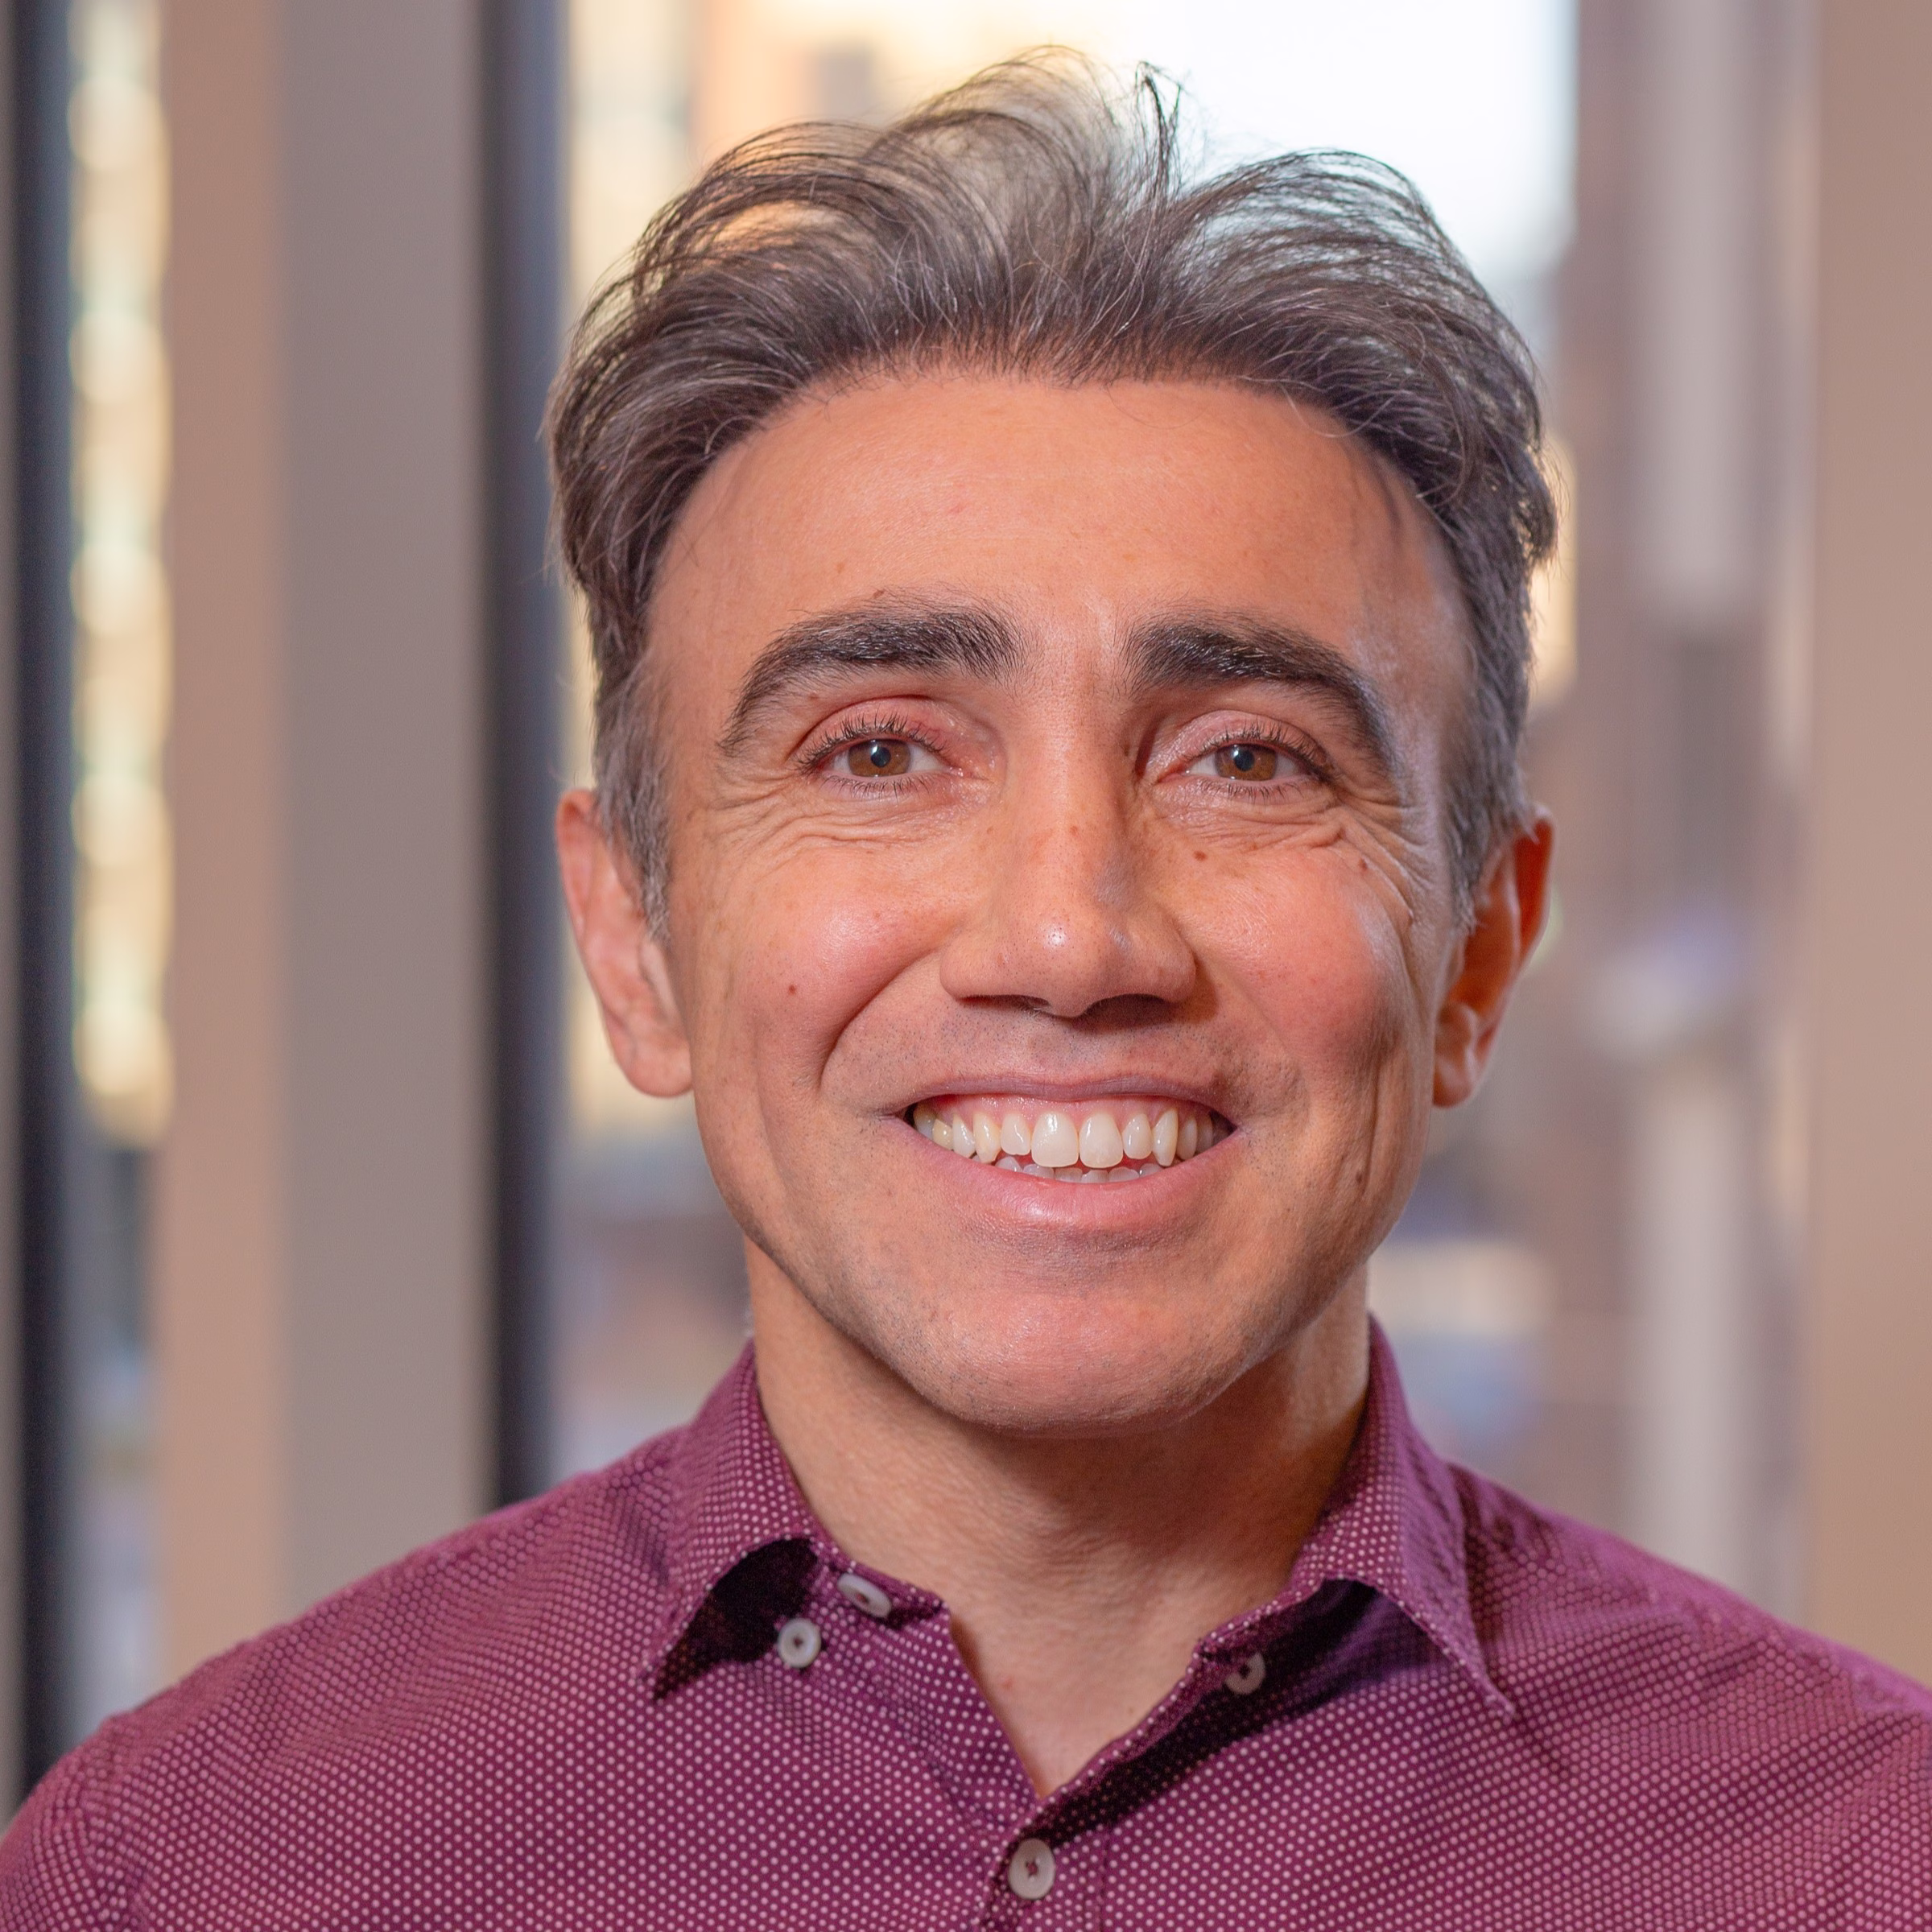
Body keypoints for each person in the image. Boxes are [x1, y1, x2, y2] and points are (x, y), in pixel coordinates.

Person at [3, 55, 1928, 1932]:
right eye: (879, 754)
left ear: (1479, 958)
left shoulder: (1863, 1863)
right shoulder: (186, 1873)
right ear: (636, 940)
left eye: (1247, 759)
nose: (1072, 941)